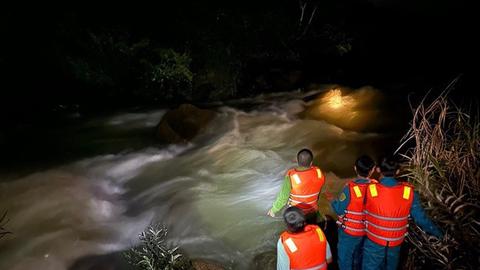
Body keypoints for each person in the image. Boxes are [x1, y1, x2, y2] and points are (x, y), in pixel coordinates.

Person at [362, 156, 443, 270]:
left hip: (374, 243)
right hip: (395, 245)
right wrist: (440, 234)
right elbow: (421, 219)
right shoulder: (408, 192)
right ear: (398, 171)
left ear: (378, 169)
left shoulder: (370, 189)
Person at [330, 155, 377, 270]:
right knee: (359, 258)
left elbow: (339, 209)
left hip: (349, 233)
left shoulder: (349, 188)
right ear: (372, 170)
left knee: (345, 259)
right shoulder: (376, 187)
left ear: (355, 168)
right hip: (369, 231)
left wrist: (332, 201)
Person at [268, 148, 325, 223]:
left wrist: (273, 210)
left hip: (296, 214)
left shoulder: (291, 176)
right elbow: (318, 193)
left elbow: (283, 197)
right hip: (313, 211)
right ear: (311, 162)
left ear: (297, 161)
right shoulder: (319, 173)